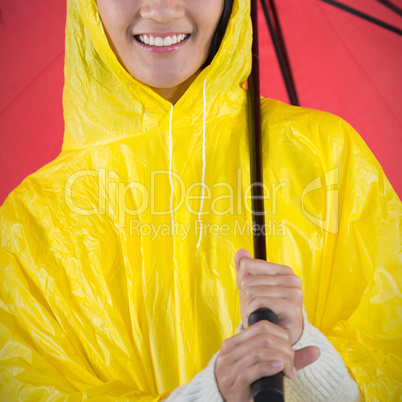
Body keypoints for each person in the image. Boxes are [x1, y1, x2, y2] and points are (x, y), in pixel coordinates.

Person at [0, 0, 400, 400]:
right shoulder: (30, 225)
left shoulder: (327, 158)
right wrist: (209, 394)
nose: (161, 9)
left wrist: (312, 366)